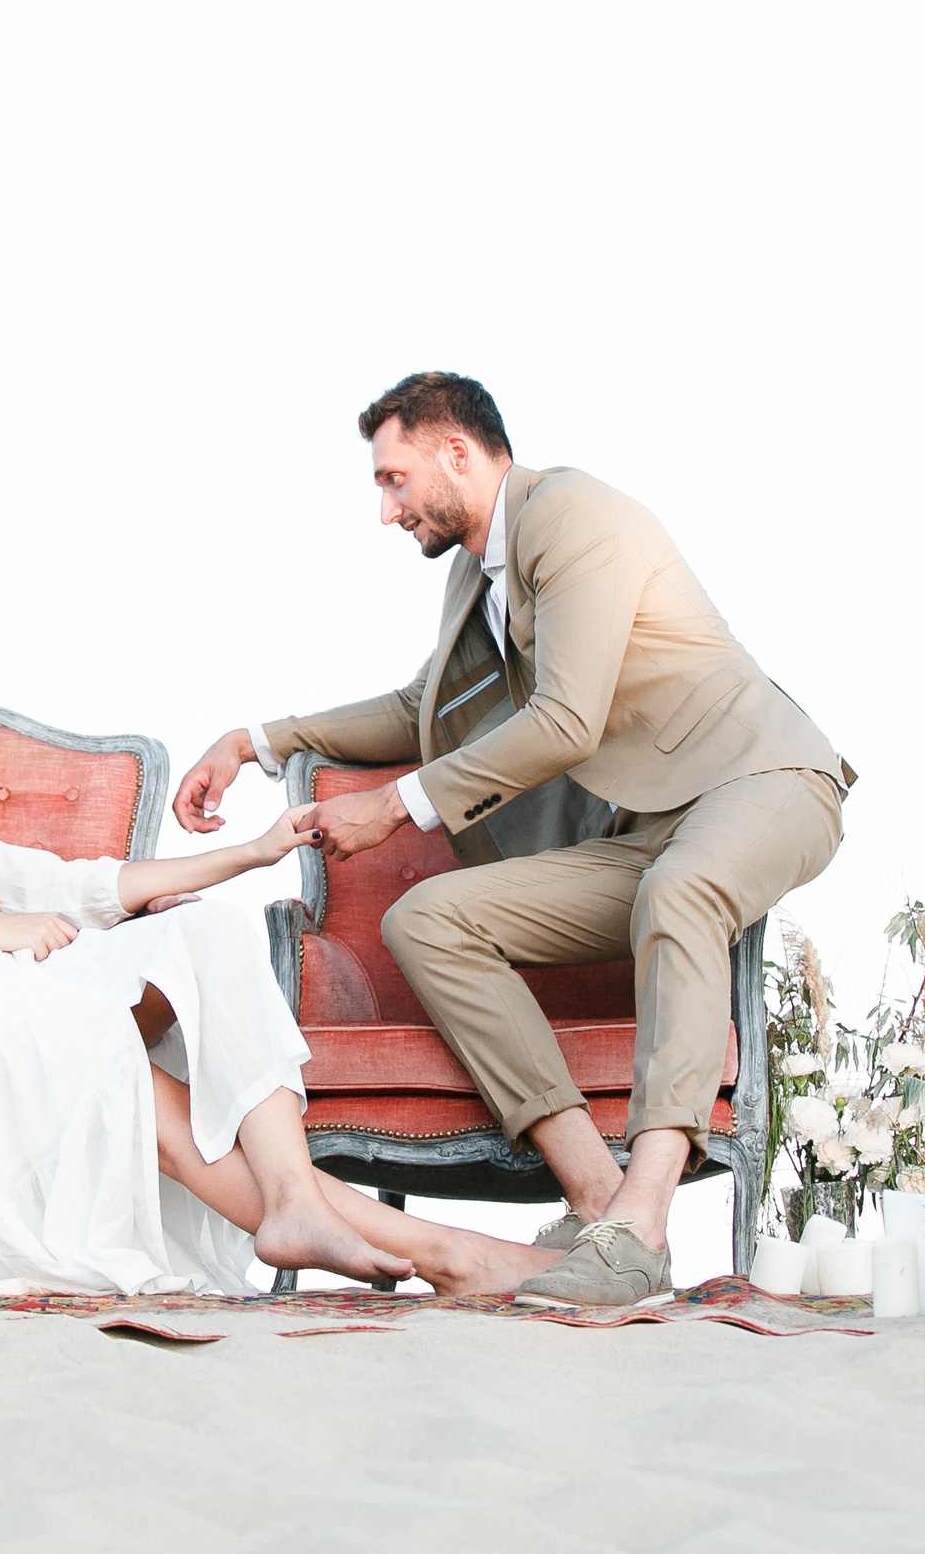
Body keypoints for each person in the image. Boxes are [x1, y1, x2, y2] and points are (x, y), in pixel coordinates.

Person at [175, 373, 854, 1309]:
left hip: (763, 779)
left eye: (395, 478)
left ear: (458, 452)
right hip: (650, 832)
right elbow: (423, 711)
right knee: (431, 921)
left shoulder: (573, 516)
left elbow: (567, 720)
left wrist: (396, 807)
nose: (386, 510)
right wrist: (259, 740)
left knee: (682, 891)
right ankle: (598, 1205)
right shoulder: (473, 574)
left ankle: (644, 1224)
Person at [0, 611, 563, 1298]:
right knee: (127, 1077)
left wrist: (255, 851)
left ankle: (302, 1201)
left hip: (9, 975)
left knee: (207, 929)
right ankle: (456, 1253)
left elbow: (71, 884)